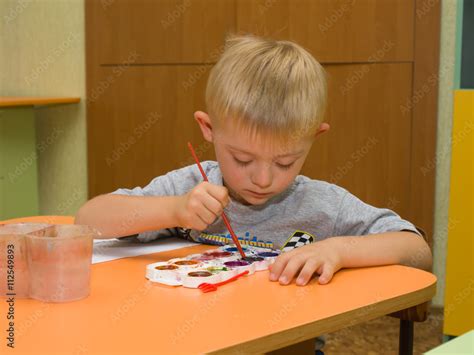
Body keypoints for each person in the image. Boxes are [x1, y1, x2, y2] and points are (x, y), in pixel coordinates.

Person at [76, 34, 432, 288]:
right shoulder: (190, 188)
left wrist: (338, 249)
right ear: (208, 128)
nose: (263, 179)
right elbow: (88, 221)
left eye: (285, 163)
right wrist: (174, 211)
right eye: (243, 159)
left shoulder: (323, 205)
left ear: (315, 138)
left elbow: (416, 249)